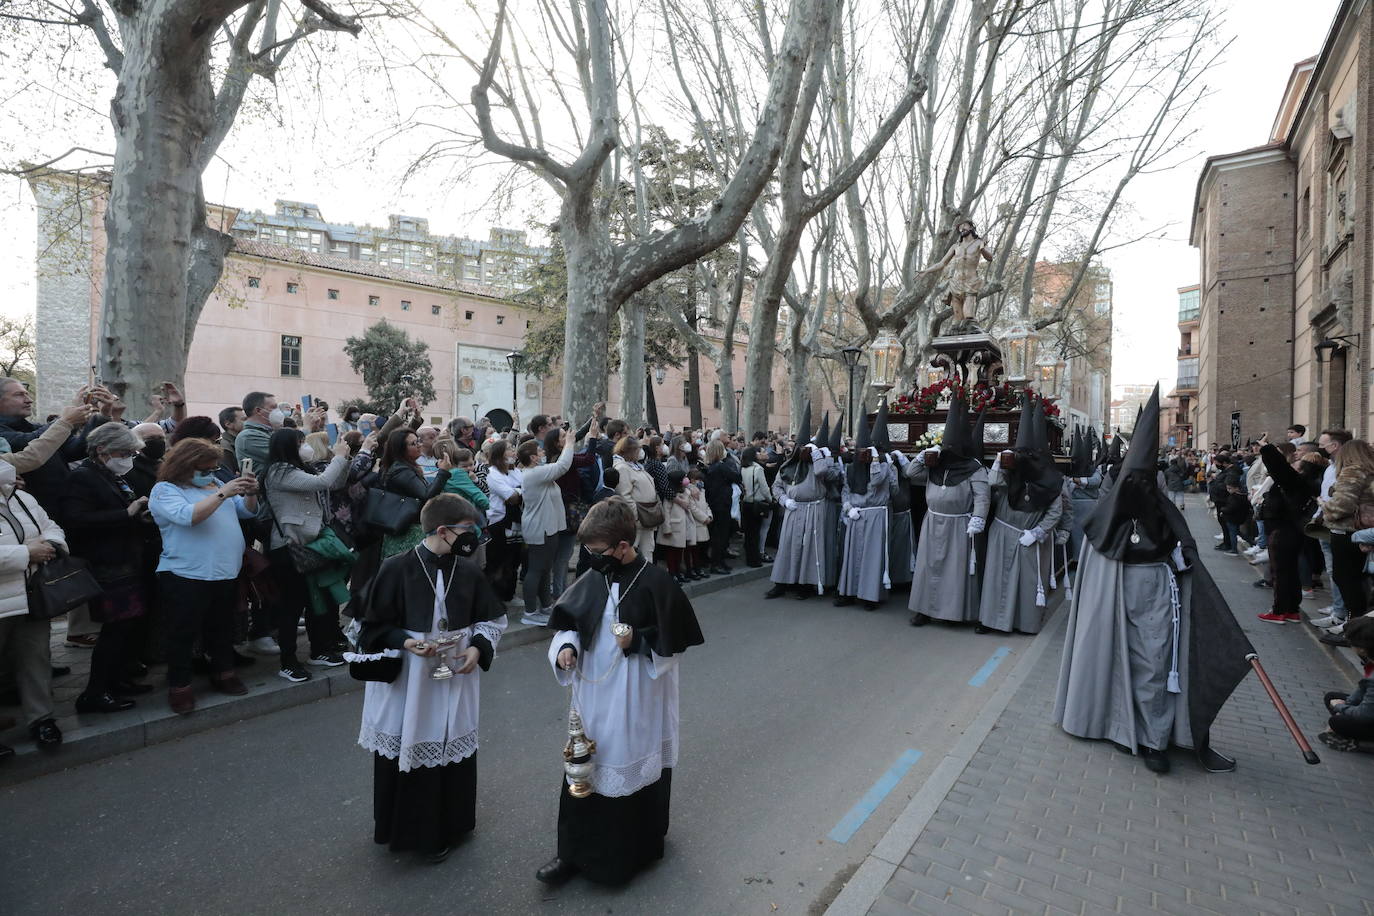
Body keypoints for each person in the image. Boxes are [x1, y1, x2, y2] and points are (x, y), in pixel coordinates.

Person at [1054, 385, 1252, 774]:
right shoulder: (1103, 523)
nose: (1137, 490)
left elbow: (1184, 557)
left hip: (1158, 592)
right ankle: (1112, 722)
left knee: (1156, 662)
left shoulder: (1164, 515)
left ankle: (1153, 738)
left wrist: (1180, 558)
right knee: (1110, 656)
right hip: (1115, 595)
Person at [539, 497, 704, 886]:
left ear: (624, 547)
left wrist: (639, 643)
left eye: (596, 552)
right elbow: (568, 625)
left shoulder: (657, 583)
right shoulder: (593, 578)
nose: (590, 558)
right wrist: (565, 649)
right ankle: (572, 854)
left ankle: (625, 857)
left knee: (625, 773)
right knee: (583, 767)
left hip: (636, 701)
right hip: (593, 700)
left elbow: (673, 647)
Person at [355, 493, 506, 863]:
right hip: (412, 680)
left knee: (450, 739)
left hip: (455, 674)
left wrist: (478, 649)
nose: (474, 536)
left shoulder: (467, 569)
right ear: (442, 530)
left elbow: (491, 620)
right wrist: (407, 641)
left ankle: (452, 825)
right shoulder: (395, 567)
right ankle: (412, 832)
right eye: (467, 530)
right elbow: (370, 628)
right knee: (413, 738)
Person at [148, 439, 259, 715]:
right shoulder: (165, 490)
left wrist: (250, 492)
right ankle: (180, 686)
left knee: (221, 627)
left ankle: (224, 673)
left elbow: (246, 511)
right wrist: (223, 492)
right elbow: (188, 517)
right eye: (204, 469)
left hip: (224, 571)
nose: (210, 473)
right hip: (185, 573)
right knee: (183, 633)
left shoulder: (211, 486)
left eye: (213, 468)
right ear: (185, 466)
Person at [63, 423, 156, 713]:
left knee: (128, 627)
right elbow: (76, 520)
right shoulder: (83, 477)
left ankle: (118, 679)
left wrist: (139, 517)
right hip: (107, 563)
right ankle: (96, 691)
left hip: (127, 559)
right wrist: (125, 513)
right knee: (114, 630)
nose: (128, 458)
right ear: (102, 450)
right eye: (124, 452)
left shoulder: (112, 475)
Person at [261, 428, 353, 680]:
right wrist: (339, 457)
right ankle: (288, 661)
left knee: (317, 600)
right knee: (292, 606)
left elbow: (334, 482)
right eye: (300, 442)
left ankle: (319, 649)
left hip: (311, 541)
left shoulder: (300, 468)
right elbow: (322, 482)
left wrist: (343, 457)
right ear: (287, 446)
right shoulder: (279, 471)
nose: (305, 446)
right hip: (289, 547)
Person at [901, 398, 990, 627]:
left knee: (953, 571)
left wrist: (978, 518)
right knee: (928, 566)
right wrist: (923, 456)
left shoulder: (974, 468)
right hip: (933, 521)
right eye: (945, 446)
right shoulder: (935, 465)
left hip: (959, 524)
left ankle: (952, 612)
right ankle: (923, 609)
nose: (948, 451)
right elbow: (911, 474)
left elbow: (982, 496)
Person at [978, 398, 1064, 634]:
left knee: (1025, 584)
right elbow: (993, 483)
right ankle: (991, 621)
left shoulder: (1051, 480)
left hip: (1029, 537)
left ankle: (1024, 623)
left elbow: (1056, 510)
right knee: (997, 579)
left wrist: (1037, 533)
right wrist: (998, 462)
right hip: (1003, 531)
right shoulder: (1011, 472)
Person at [0, 457, 68, 755]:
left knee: (36, 657)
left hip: (31, 593)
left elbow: (50, 525)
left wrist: (51, 545)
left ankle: (41, 719)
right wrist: (26, 553)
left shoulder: (22, 497)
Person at [765, 406, 842, 599]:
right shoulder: (786, 466)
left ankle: (805, 585)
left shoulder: (820, 465)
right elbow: (776, 488)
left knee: (809, 549)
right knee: (788, 547)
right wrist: (784, 500)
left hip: (814, 510)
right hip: (793, 509)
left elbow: (823, 473)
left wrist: (817, 455)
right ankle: (781, 582)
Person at [515, 426, 577, 627]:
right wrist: (569, 443)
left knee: (544, 570)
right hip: (539, 529)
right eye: (539, 452)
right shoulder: (535, 473)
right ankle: (530, 612)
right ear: (533, 458)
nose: (543, 453)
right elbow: (562, 466)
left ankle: (545, 607)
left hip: (547, 528)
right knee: (536, 570)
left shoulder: (538, 472)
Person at [835, 416, 896, 610]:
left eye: (866, 452)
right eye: (859, 452)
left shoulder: (884, 467)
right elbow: (845, 491)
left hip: (876, 515)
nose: (862, 456)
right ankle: (849, 592)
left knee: (872, 556)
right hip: (856, 515)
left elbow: (877, 481)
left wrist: (875, 460)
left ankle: (870, 595)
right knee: (851, 555)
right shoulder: (851, 469)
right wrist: (848, 508)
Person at [378, 427, 454, 558]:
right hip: (407, 531)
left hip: (408, 527)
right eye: (413, 443)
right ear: (401, 449)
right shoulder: (401, 470)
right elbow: (426, 495)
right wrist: (443, 472)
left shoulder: (405, 466)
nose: (419, 445)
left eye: (418, 441)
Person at [1318, 617, 1374, 751]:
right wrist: (1345, 706)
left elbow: (1365, 714)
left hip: (1369, 715)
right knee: (1331, 698)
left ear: (1362, 649)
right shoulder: (1371, 663)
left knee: (1337, 722)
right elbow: (1362, 691)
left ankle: (1366, 744)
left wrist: (1340, 709)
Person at [611, 436, 659, 561]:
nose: (640, 452)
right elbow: (624, 495)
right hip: (637, 520)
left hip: (647, 516)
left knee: (648, 549)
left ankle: (647, 576)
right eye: (637, 449)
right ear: (629, 451)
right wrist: (636, 516)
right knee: (633, 550)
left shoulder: (636, 465)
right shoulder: (622, 467)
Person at [703, 439, 742, 574]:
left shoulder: (712, 466)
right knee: (720, 536)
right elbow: (737, 476)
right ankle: (716, 564)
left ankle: (720, 561)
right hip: (721, 505)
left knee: (720, 535)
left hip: (716, 503)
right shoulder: (720, 466)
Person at [234, 391, 284, 476]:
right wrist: (307, 428)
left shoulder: (268, 431)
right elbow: (286, 456)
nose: (278, 411)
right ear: (258, 410)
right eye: (273, 407)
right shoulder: (248, 436)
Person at [739, 446, 770, 568]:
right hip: (756, 504)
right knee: (755, 533)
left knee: (748, 533)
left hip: (745, 503)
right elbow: (764, 488)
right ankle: (755, 559)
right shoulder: (758, 469)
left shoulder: (742, 468)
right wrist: (770, 499)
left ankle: (749, 558)